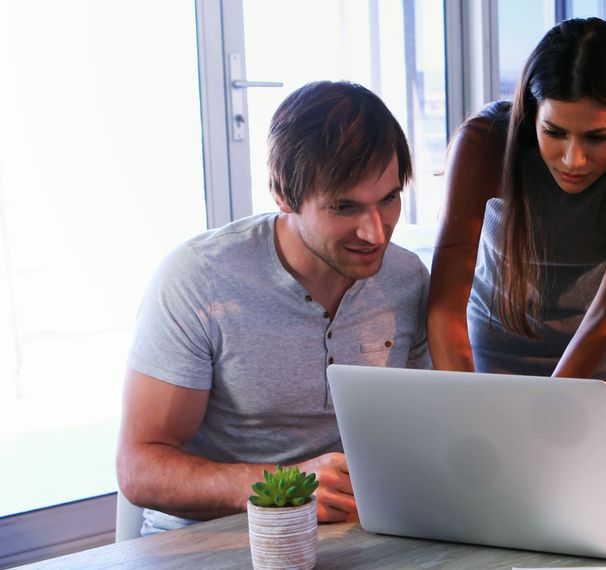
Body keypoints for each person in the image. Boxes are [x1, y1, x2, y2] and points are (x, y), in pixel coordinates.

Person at [116, 81, 430, 535]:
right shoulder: (198, 278)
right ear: (284, 196)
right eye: (345, 207)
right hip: (211, 545)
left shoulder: (406, 278)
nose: (376, 233)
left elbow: (424, 431)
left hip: (354, 539)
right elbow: (140, 467)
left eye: (388, 199)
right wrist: (287, 485)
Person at [427, 18, 606, 380]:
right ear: (532, 115)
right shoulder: (485, 143)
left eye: (596, 137)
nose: (573, 159)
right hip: (493, 349)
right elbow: (446, 303)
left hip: (597, 355)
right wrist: (466, 396)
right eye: (554, 132)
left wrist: (547, 406)